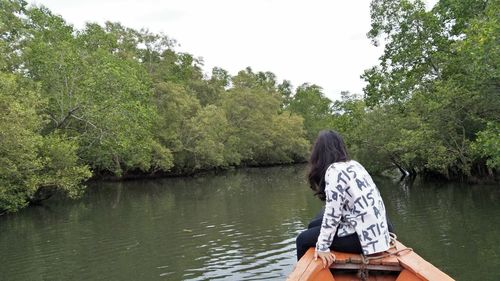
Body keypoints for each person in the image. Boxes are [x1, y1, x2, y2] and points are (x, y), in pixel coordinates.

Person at [296, 130, 394, 268]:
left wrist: (323, 247)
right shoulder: (355, 165)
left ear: (319, 153)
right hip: (381, 231)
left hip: (364, 239)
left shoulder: (333, 171)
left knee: (302, 239)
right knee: (313, 226)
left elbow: (333, 214)